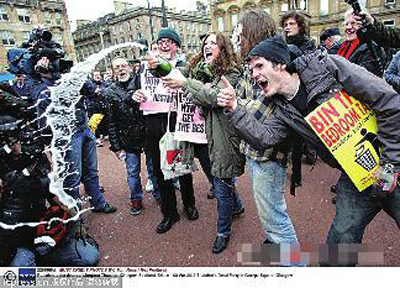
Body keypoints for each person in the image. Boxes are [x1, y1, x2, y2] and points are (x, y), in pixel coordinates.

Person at [217, 36, 400, 264]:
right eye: (251, 69)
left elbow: (390, 102)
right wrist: (234, 108)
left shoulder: (327, 67)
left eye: (259, 66)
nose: (253, 75)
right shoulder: (282, 108)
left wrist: (390, 163)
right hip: (357, 176)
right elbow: (265, 137)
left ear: (280, 63)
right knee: (337, 250)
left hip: (393, 163)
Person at [161, 32, 245, 253]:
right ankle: (237, 206)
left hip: (221, 138)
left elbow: (213, 98)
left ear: (224, 48)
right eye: (205, 43)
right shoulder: (195, 67)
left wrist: (186, 83)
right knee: (218, 179)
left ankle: (222, 232)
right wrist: (159, 63)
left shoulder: (232, 73)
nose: (207, 46)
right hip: (197, 138)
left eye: (213, 43)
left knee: (221, 184)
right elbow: (174, 74)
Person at [235, 9, 298, 245]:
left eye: (242, 35)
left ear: (253, 33)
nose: (238, 40)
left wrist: (234, 104)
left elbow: (257, 112)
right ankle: (275, 241)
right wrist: (239, 103)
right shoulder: (250, 63)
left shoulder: (272, 62)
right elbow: (243, 100)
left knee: (274, 217)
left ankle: (294, 268)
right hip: (253, 151)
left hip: (269, 156)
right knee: (269, 213)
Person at [131, 28, 199, 234]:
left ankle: (189, 204)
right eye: (161, 41)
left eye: (169, 41)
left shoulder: (184, 67)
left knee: (183, 165)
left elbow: (194, 92)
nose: (164, 44)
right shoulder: (143, 69)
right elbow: (132, 92)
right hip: (152, 125)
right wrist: (135, 95)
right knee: (160, 172)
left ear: (176, 46)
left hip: (177, 122)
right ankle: (169, 213)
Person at [32, 56, 117, 214]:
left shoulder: (72, 80)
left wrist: (76, 74)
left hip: (84, 129)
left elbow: (93, 91)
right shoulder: (42, 87)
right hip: (67, 137)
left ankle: (98, 204)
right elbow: (43, 123)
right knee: (72, 177)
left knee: (91, 171)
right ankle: (74, 215)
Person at [105, 57, 160, 215]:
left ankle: (159, 194)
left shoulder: (141, 83)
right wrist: (116, 147)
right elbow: (110, 121)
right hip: (127, 139)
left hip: (147, 135)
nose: (121, 69)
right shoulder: (109, 92)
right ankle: (136, 200)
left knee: (153, 169)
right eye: (117, 67)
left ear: (130, 68)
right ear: (113, 71)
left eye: (123, 66)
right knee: (132, 172)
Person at [337, 9, 386, 77]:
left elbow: (362, 79)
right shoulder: (344, 47)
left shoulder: (372, 48)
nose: (348, 27)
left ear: (364, 26)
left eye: (353, 23)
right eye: (346, 24)